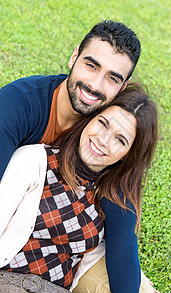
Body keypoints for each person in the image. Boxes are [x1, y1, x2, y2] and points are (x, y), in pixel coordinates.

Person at [0, 84, 158, 293]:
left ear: (127, 154)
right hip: (12, 285)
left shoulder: (109, 192)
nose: (103, 140)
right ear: (90, 118)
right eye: (103, 123)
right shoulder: (35, 160)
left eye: (120, 140)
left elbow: (122, 248)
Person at [0, 19, 141, 180]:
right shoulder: (17, 104)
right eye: (91, 66)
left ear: (123, 87)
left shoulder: (111, 123)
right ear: (74, 57)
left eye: (112, 79)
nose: (95, 86)